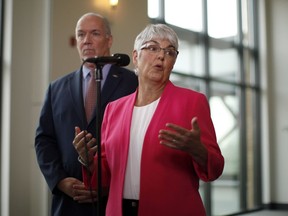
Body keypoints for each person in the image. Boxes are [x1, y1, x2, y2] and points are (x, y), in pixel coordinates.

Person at [73, 24, 224, 216]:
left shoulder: (192, 102)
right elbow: (106, 175)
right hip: (119, 210)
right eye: (152, 48)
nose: (161, 56)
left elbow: (216, 168)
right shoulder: (114, 109)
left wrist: (198, 150)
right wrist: (87, 159)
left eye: (169, 52)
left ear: (173, 62)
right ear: (135, 57)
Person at [35, 12, 138, 216]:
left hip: (116, 201)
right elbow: (44, 140)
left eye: (95, 34)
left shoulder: (133, 83)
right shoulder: (56, 88)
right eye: (81, 35)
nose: (87, 40)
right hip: (68, 203)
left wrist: (109, 184)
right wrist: (60, 181)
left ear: (109, 40)